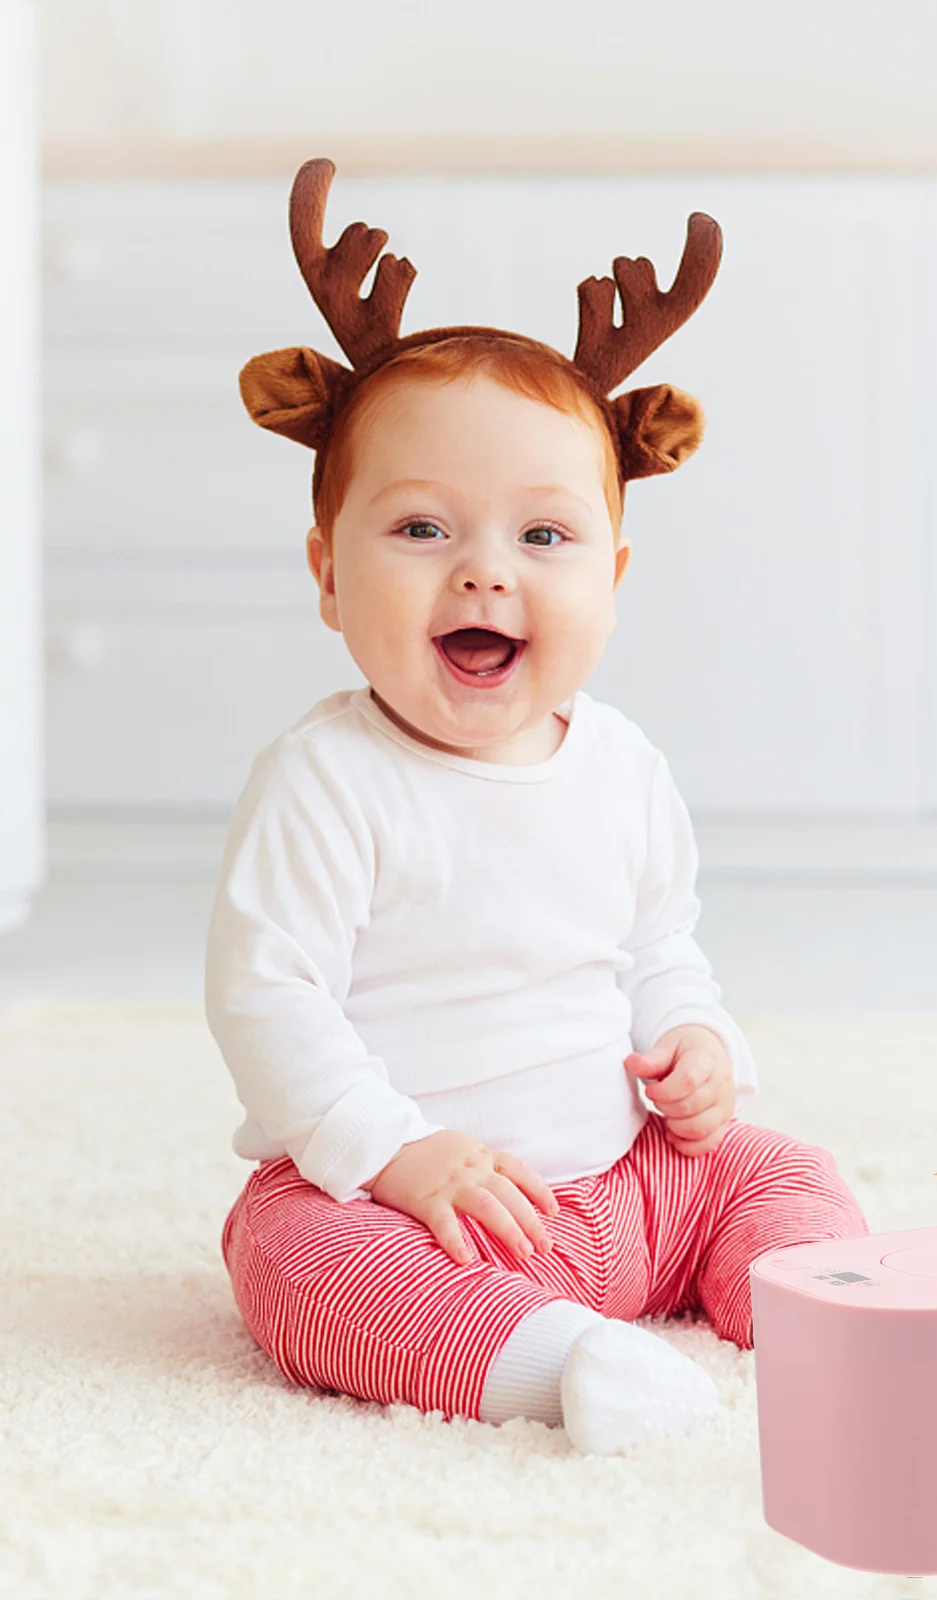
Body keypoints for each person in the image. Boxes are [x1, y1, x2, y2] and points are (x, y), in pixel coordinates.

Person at [207, 159, 866, 1456]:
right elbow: (269, 1001)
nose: (483, 574)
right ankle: (553, 1361)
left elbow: (659, 945)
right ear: (327, 574)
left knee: (777, 1168)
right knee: (291, 1259)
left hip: (628, 1185)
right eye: (421, 530)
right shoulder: (326, 781)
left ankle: (820, 1310)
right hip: (416, 1212)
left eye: (543, 538)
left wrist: (694, 1042)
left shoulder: (621, 766)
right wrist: (397, 1155)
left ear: (613, 577)